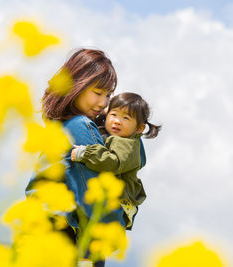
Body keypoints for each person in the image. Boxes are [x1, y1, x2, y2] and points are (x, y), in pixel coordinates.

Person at [25, 48, 144, 267]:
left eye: (108, 95)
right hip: (68, 242)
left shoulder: (58, 125)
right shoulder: (81, 126)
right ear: (76, 86)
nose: (103, 104)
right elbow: (96, 197)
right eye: (98, 93)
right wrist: (115, 227)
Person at [70, 92, 161, 228]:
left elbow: (113, 162)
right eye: (113, 115)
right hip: (111, 201)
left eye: (126, 118)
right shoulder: (110, 134)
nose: (117, 121)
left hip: (119, 204)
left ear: (139, 128)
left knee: (91, 237)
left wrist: (85, 153)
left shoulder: (127, 144)